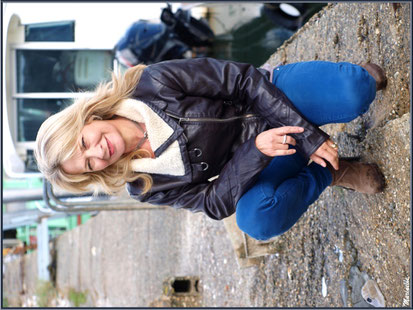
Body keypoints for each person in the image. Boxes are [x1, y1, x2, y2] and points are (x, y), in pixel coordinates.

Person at [35, 58, 386, 240]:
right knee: (257, 220)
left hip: (270, 96)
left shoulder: (150, 83)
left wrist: (310, 137)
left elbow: (242, 80)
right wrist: (257, 151)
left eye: (84, 142)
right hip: (265, 157)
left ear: (86, 118)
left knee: (358, 91)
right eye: (89, 163)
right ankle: (332, 171)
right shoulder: (144, 185)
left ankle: (353, 79)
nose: (98, 152)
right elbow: (211, 203)